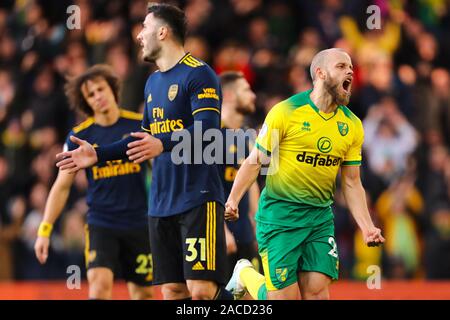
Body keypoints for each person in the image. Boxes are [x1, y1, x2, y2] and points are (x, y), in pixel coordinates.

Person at [55, 4, 232, 300]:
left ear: (162, 32)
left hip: (197, 198)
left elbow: (208, 132)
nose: (139, 36)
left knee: (201, 291)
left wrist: (162, 143)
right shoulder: (152, 83)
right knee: (172, 290)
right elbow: (141, 140)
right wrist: (99, 154)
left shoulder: (199, 74)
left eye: (145, 28)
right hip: (160, 203)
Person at [225, 48, 385, 300]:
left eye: (351, 67)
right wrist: (233, 199)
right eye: (342, 66)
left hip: (319, 219)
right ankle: (245, 273)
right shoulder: (285, 112)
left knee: (317, 293)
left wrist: (366, 227)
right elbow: (255, 161)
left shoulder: (352, 125)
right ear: (320, 73)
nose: (351, 71)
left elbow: (352, 182)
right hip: (280, 217)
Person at [35, 65, 153, 300]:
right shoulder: (79, 137)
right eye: (91, 94)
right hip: (101, 222)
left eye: (101, 89)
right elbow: (62, 186)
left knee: (143, 294)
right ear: (85, 102)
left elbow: (161, 170)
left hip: (139, 223)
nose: (98, 96)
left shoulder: (139, 125)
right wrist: (45, 229)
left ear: (113, 89)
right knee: (98, 288)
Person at [219, 71, 261, 278]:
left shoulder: (248, 135)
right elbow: (205, 187)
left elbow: (253, 184)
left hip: (244, 232)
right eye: (246, 90)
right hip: (218, 233)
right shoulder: (210, 135)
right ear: (228, 96)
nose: (252, 95)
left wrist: (258, 223)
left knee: (248, 293)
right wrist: (222, 231)